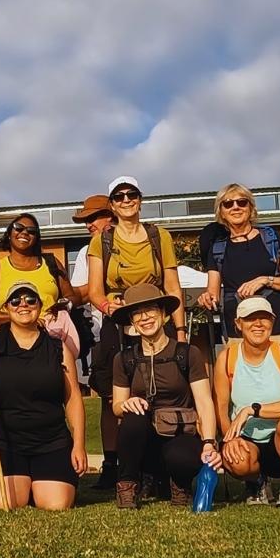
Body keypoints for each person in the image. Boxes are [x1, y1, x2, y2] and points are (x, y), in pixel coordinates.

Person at [86, 176, 185, 491]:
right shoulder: (102, 240)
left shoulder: (160, 236)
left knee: (164, 388)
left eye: (132, 194)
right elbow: (94, 290)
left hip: (157, 319)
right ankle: (118, 466)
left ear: (140, 199)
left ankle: (159, 467)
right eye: (119, 196)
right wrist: (107, 306)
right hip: (117, 322)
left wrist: (180, 330)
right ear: (113, 205)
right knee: (116, 396)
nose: (126, 200)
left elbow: (172, 287)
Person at [0, 280, 88, 510]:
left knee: (56, 505)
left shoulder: (59, 349)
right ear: (6, 308)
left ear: (39, 306)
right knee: (6, 503)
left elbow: (73, 399)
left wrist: (78, 444)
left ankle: (39, 483)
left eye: (31, 300)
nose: (23, 305)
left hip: (52, 442)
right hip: (4, 443)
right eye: (15, 301)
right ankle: (25, 484)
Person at [109, 284, 221, 510]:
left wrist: (209, 443)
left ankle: (178, 483)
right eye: (137, 313)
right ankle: (127, 486)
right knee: (132, 419)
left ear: (163, 313)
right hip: (144, 442)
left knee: (182, 457)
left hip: (180, 435)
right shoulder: (124, 359)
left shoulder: (187, 353)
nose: (145, 318)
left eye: (150, 309)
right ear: (131, 321)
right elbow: (117, 406)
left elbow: (204, 402)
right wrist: (126, 403)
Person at [215, 298, 280, 509]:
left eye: (264, 318)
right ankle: (257, 483)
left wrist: (251, 410)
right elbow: (221, 409)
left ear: (273, 321)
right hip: (247, 440)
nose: (258, 323)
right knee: (237, 459)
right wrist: (230, 439)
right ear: (238, 324)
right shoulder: (226, 357)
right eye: (250, 318)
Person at [197, 183, 280, 343]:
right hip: (237, 332)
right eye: (228, 203)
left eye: (242, 202)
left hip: (277, 329)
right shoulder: (217, 248)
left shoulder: (271, 238)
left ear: (250, 208)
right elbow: (213, 297)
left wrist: (265, 280)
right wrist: (207, 298)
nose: (235, 207)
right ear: (221, 211)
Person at [0, 212, 82, 358]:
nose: (24, 232)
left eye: (31, 231)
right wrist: (20, 319)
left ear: (36, 238)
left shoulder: (51, 263)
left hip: (51, 339)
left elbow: (72, 296)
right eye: (18, 228)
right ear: (9, 234)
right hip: (10, 343)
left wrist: (66, 304)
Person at [67, 194, 117, 487]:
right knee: (109, 400)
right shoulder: (87, 251)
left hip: (137, 329)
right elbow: (78, 294)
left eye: (92, 218)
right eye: (86, 220)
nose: (88, 225)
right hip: (101, 332)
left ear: (110, 215)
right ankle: (111, 464)